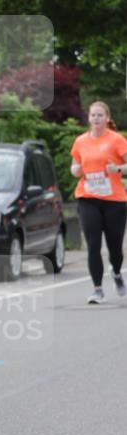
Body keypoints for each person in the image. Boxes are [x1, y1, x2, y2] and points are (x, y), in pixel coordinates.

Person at [70, 101, 127, 303]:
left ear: (107, 118)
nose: (96, 118)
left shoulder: (116, 140)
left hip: (114, 201)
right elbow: (74, 166)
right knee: (93, 244)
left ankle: (117, 273)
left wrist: (117, 169)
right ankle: (97, 289)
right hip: (88, 198)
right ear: (88, 118)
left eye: (100, 115)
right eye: (93, 115)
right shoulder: (80, 141)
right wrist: (76, 170)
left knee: (115, 247)